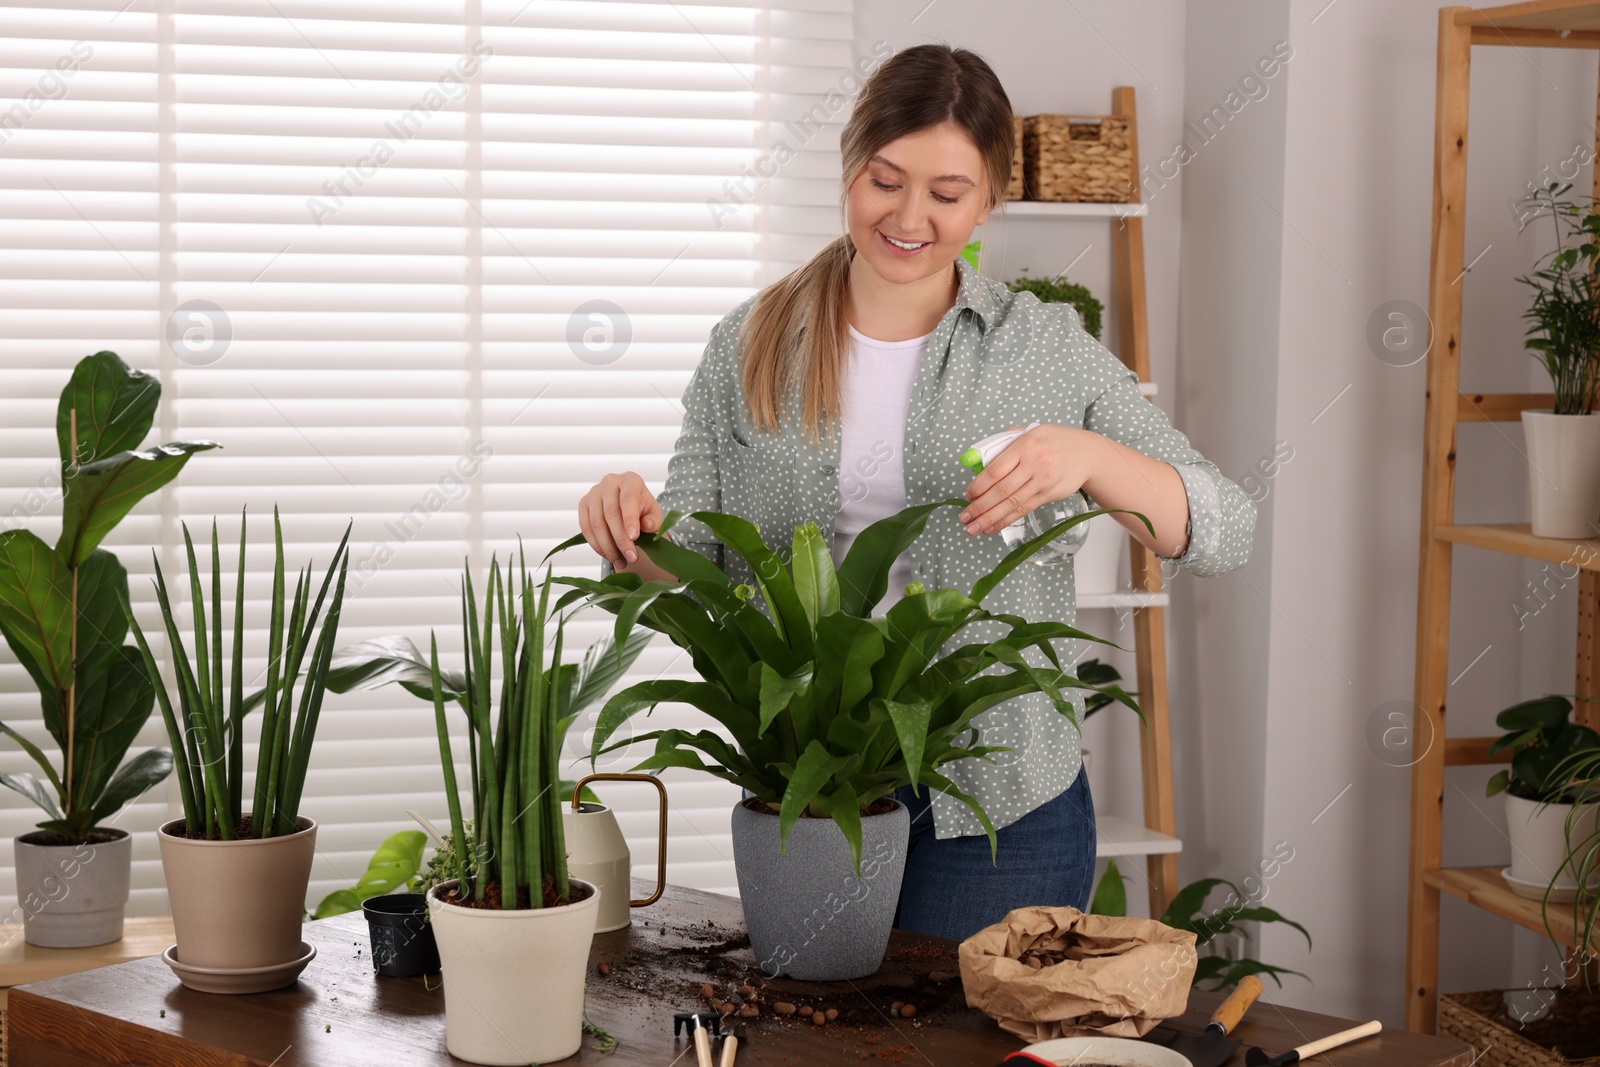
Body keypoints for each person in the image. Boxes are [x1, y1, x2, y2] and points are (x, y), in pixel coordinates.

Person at [576, 43, 1254, 942]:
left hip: (1004, 805)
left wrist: (1090, 456)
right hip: (811, 790)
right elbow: (691, 557)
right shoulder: (750, 342)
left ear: (989, 199)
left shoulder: (1040, 347)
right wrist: (629, 522)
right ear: (851, 165)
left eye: (947, 194)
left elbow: (1226, 527)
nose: (909, 217)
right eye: (885, 181)